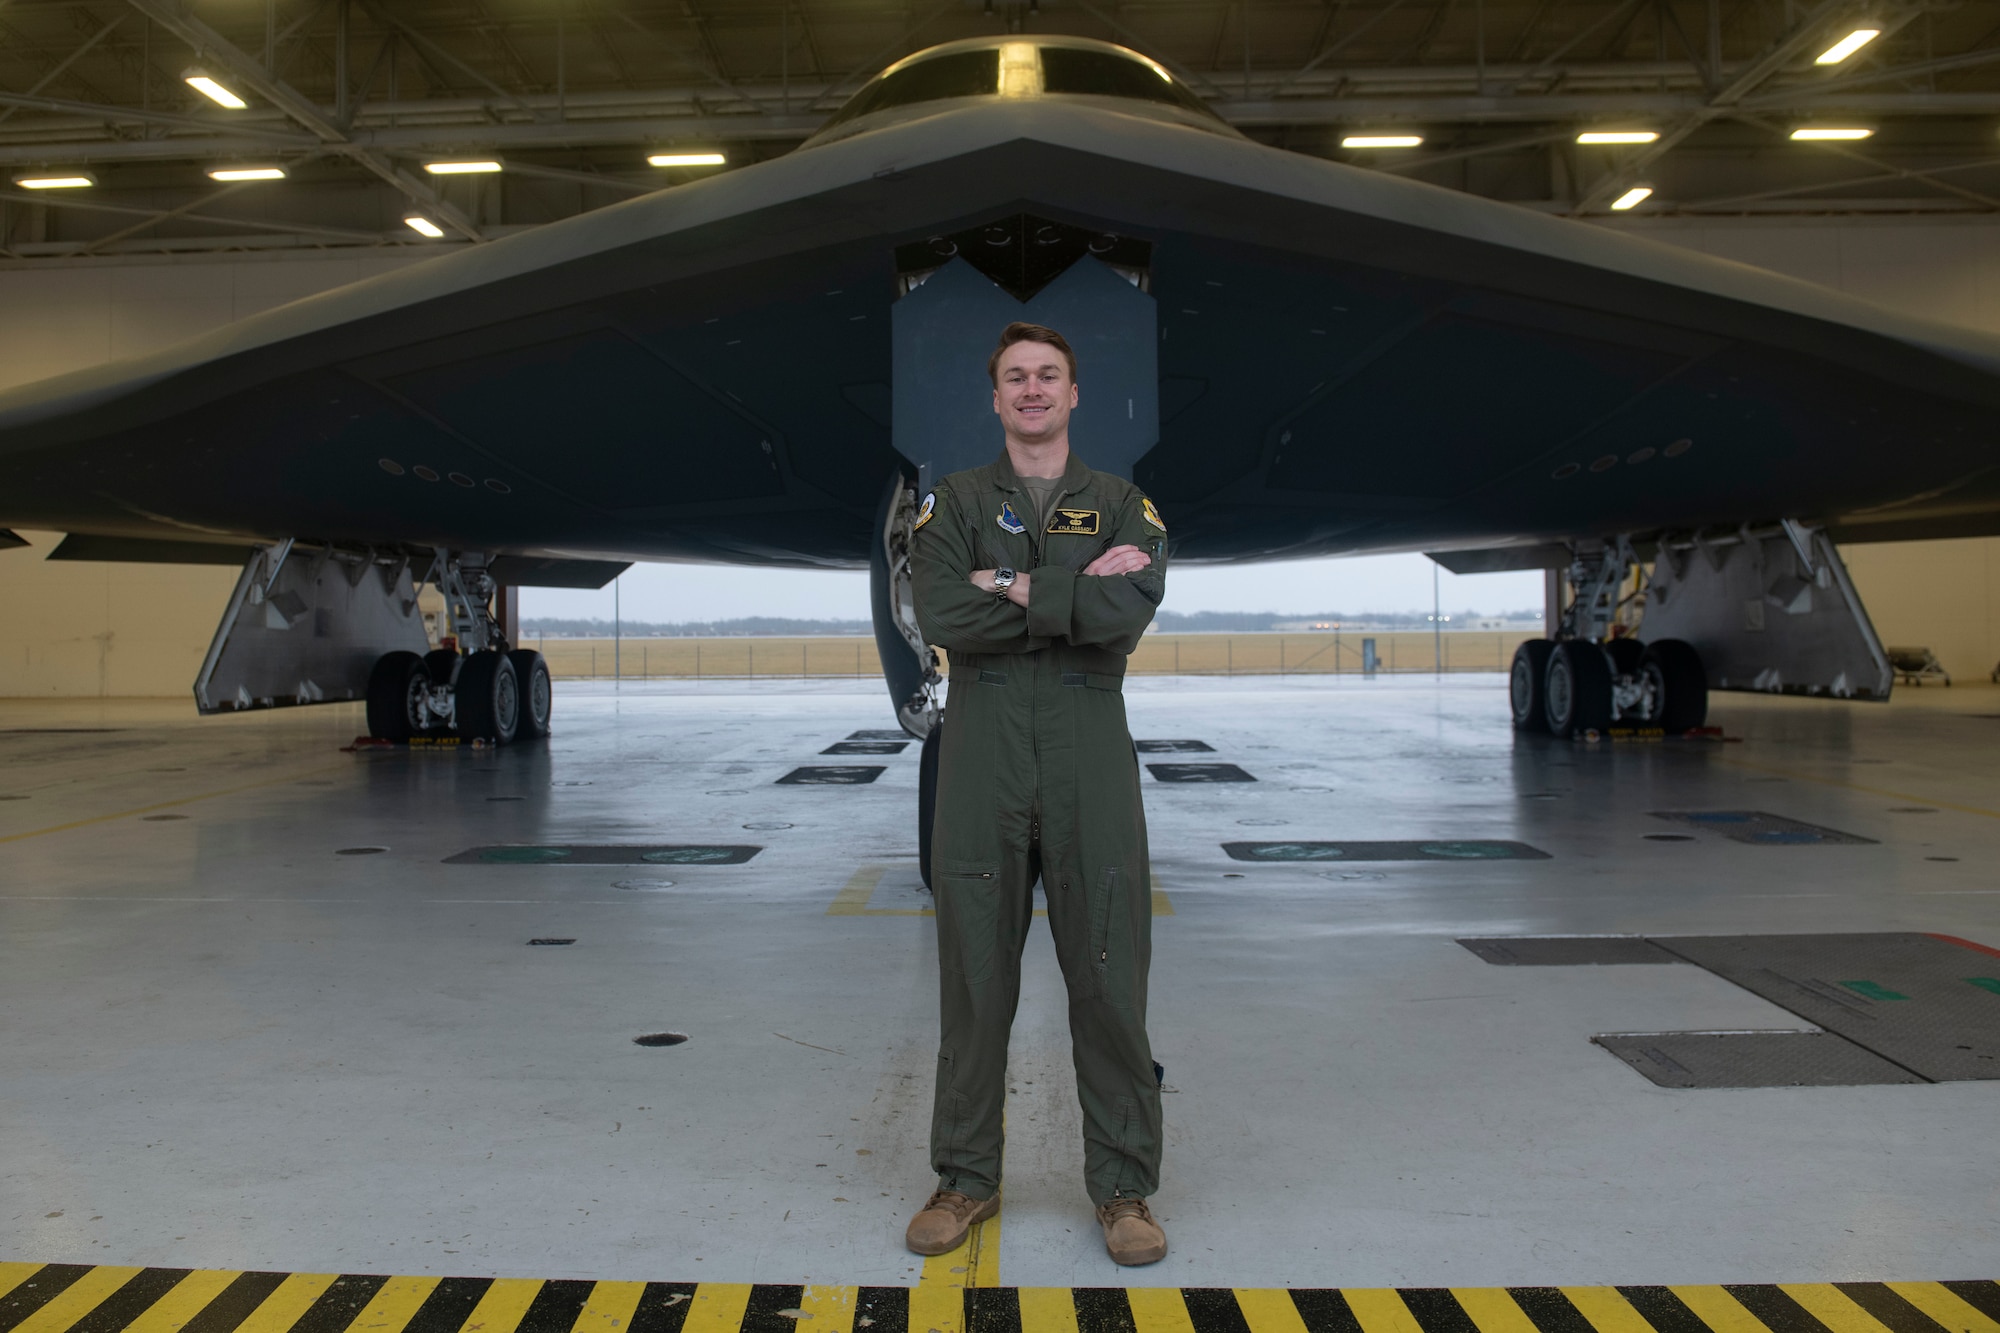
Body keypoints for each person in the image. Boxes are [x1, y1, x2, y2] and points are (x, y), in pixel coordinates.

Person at [904, 320, 1170, 1267]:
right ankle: (964, 1178)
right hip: (984, 753)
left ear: (1072, 393)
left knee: (1108, 976)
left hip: (1090, 750)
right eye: (1014, 376)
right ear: (994, 397)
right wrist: (1064, 595)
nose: (1030, 389)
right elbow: (942, 612)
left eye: (1047, 374)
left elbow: (1128, 616)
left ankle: (1126, 1187)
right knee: (976, 977)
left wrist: (1011, 586)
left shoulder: (1124, 504)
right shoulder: (956, 503)